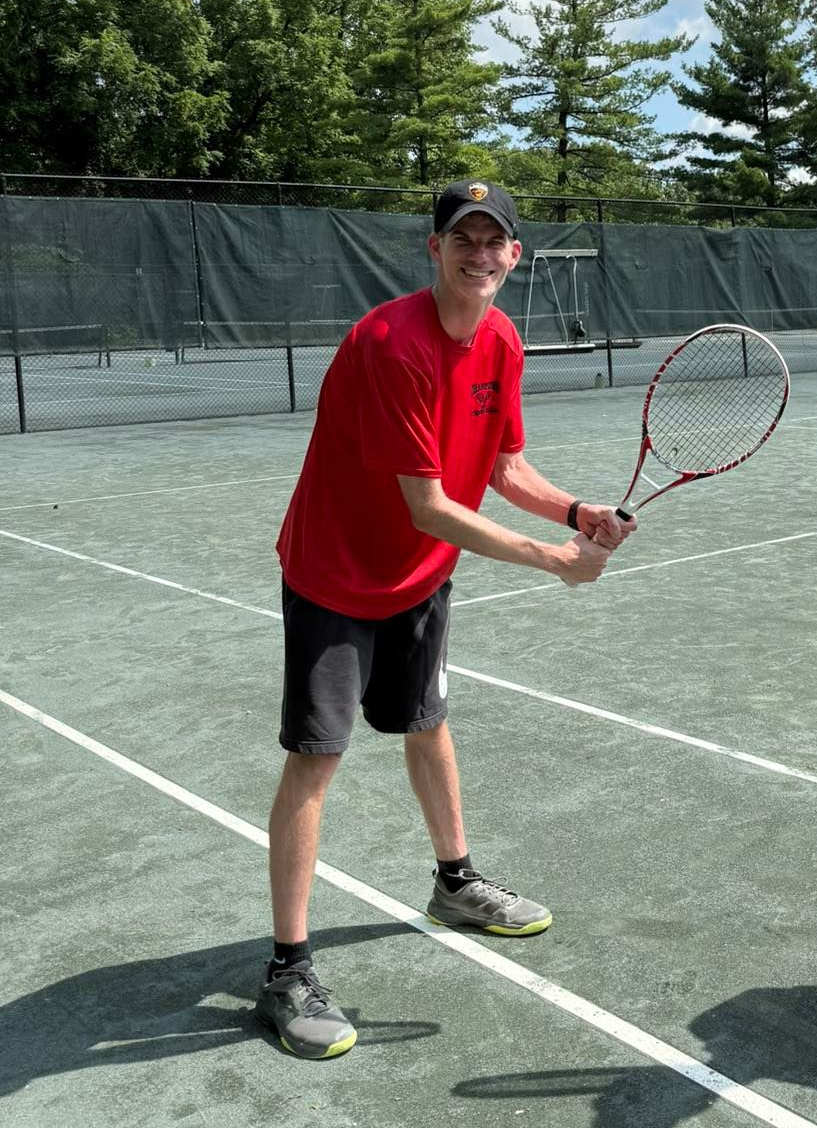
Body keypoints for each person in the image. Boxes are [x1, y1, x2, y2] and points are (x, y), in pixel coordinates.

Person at [254, 180, 636, 1059]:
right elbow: (427, 504)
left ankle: (454, 883)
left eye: (492, 239)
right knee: (317, 756)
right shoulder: (390, 345)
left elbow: (504, 468)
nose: (477, 253)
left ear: (513, 254)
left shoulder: (501, 338)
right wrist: (553, 562)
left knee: (426, 725)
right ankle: (285, 970)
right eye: (459, 239)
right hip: (335, 575)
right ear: (433, 251)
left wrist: (576, 514)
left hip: (419, 578)